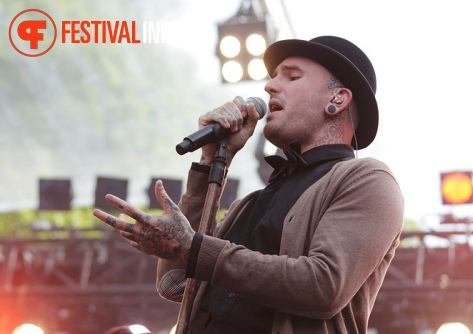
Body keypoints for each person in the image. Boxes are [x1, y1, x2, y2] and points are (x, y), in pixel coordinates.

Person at [93, 36, 404, 334]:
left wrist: (194, 248)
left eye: (291, 77)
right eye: (273, 77)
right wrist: (210, 161)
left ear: (337, 99)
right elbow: (174, 282)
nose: (269, 86)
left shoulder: (369, 181)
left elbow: (323, 287)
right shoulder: (250, 204)